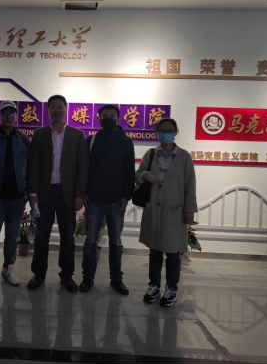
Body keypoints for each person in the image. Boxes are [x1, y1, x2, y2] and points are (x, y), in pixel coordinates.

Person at [26, 94, 89, 292]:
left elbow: (82, 167)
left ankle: (67, 275)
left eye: (60, 107)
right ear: (48, 110)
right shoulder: (39, 134)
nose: (57, 110)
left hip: (67, 195)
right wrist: (32, 194)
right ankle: (39, 274)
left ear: (66, 109)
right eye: (53, 107)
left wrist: (79, 194)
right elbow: (33, 166)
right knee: (41, 236)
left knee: (68, 237)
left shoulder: (77, 135)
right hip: (44, 194)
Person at [135, 118, 197, 307]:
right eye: (162, 130)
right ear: (157, 132)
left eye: (169, 130)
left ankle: (171, 289)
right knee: (154, 251)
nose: (165, 134)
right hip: (154, 210)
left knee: (172, 254)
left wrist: (189, 211)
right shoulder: (151, 154)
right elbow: (138, 175)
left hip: (175, 212)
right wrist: (146, 175)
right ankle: (153, 286)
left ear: (176, 132)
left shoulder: (184, 157)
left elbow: (190, 185)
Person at [79, 104, 135, 294]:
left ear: (118, 119)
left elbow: (129, 171)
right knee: (90, 242)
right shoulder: (92, 140)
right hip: (94, 199)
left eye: (112, 116)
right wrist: (85, 192)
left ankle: (116, 279)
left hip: (116, 201)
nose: (108, 119)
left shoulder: (126, 142)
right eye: (105, 116)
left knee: (116, 243)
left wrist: (126, 196)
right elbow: (84, 168)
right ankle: (88, 277)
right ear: (99, 119)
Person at [0, 100, 30, 288]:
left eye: (12, 113)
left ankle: (8, 267)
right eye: (5, 113)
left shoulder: (24, 139)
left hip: (17, 198)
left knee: (12, 237)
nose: (8, 117)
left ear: (16, 116)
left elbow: (30, 167)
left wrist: (28, 190)